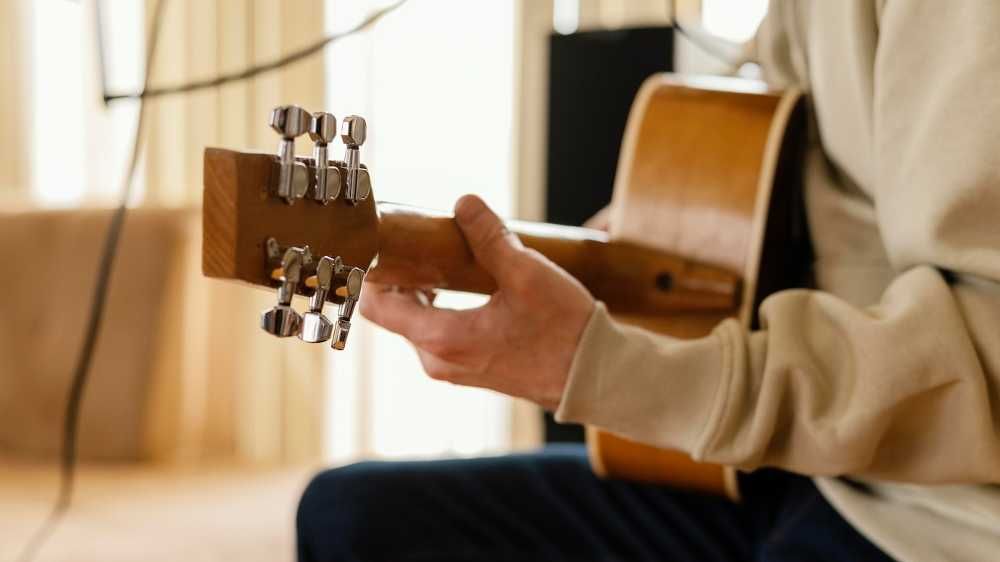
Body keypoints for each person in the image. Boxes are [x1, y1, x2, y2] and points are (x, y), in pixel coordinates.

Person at [296, 2, 1000, 560]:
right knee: (349, 518)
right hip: (806, 474)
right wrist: (663, 225)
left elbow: (987, 351)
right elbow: (785, 146)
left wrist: (604, 369)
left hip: (944, 531)